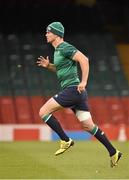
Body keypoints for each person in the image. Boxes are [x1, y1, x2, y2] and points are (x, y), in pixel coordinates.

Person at [37, 22, 122, 167]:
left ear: (56, 34)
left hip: (73, 90)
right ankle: (113, 152)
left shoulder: (64, 47)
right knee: (88, 126)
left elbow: (84, 59)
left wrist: (83, 82)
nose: (46, 34)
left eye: (48, 32)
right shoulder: (57, 50)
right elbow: (62, 70)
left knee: (43, 112)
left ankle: (65, 140)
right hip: (77, 93)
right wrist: (49, 66)